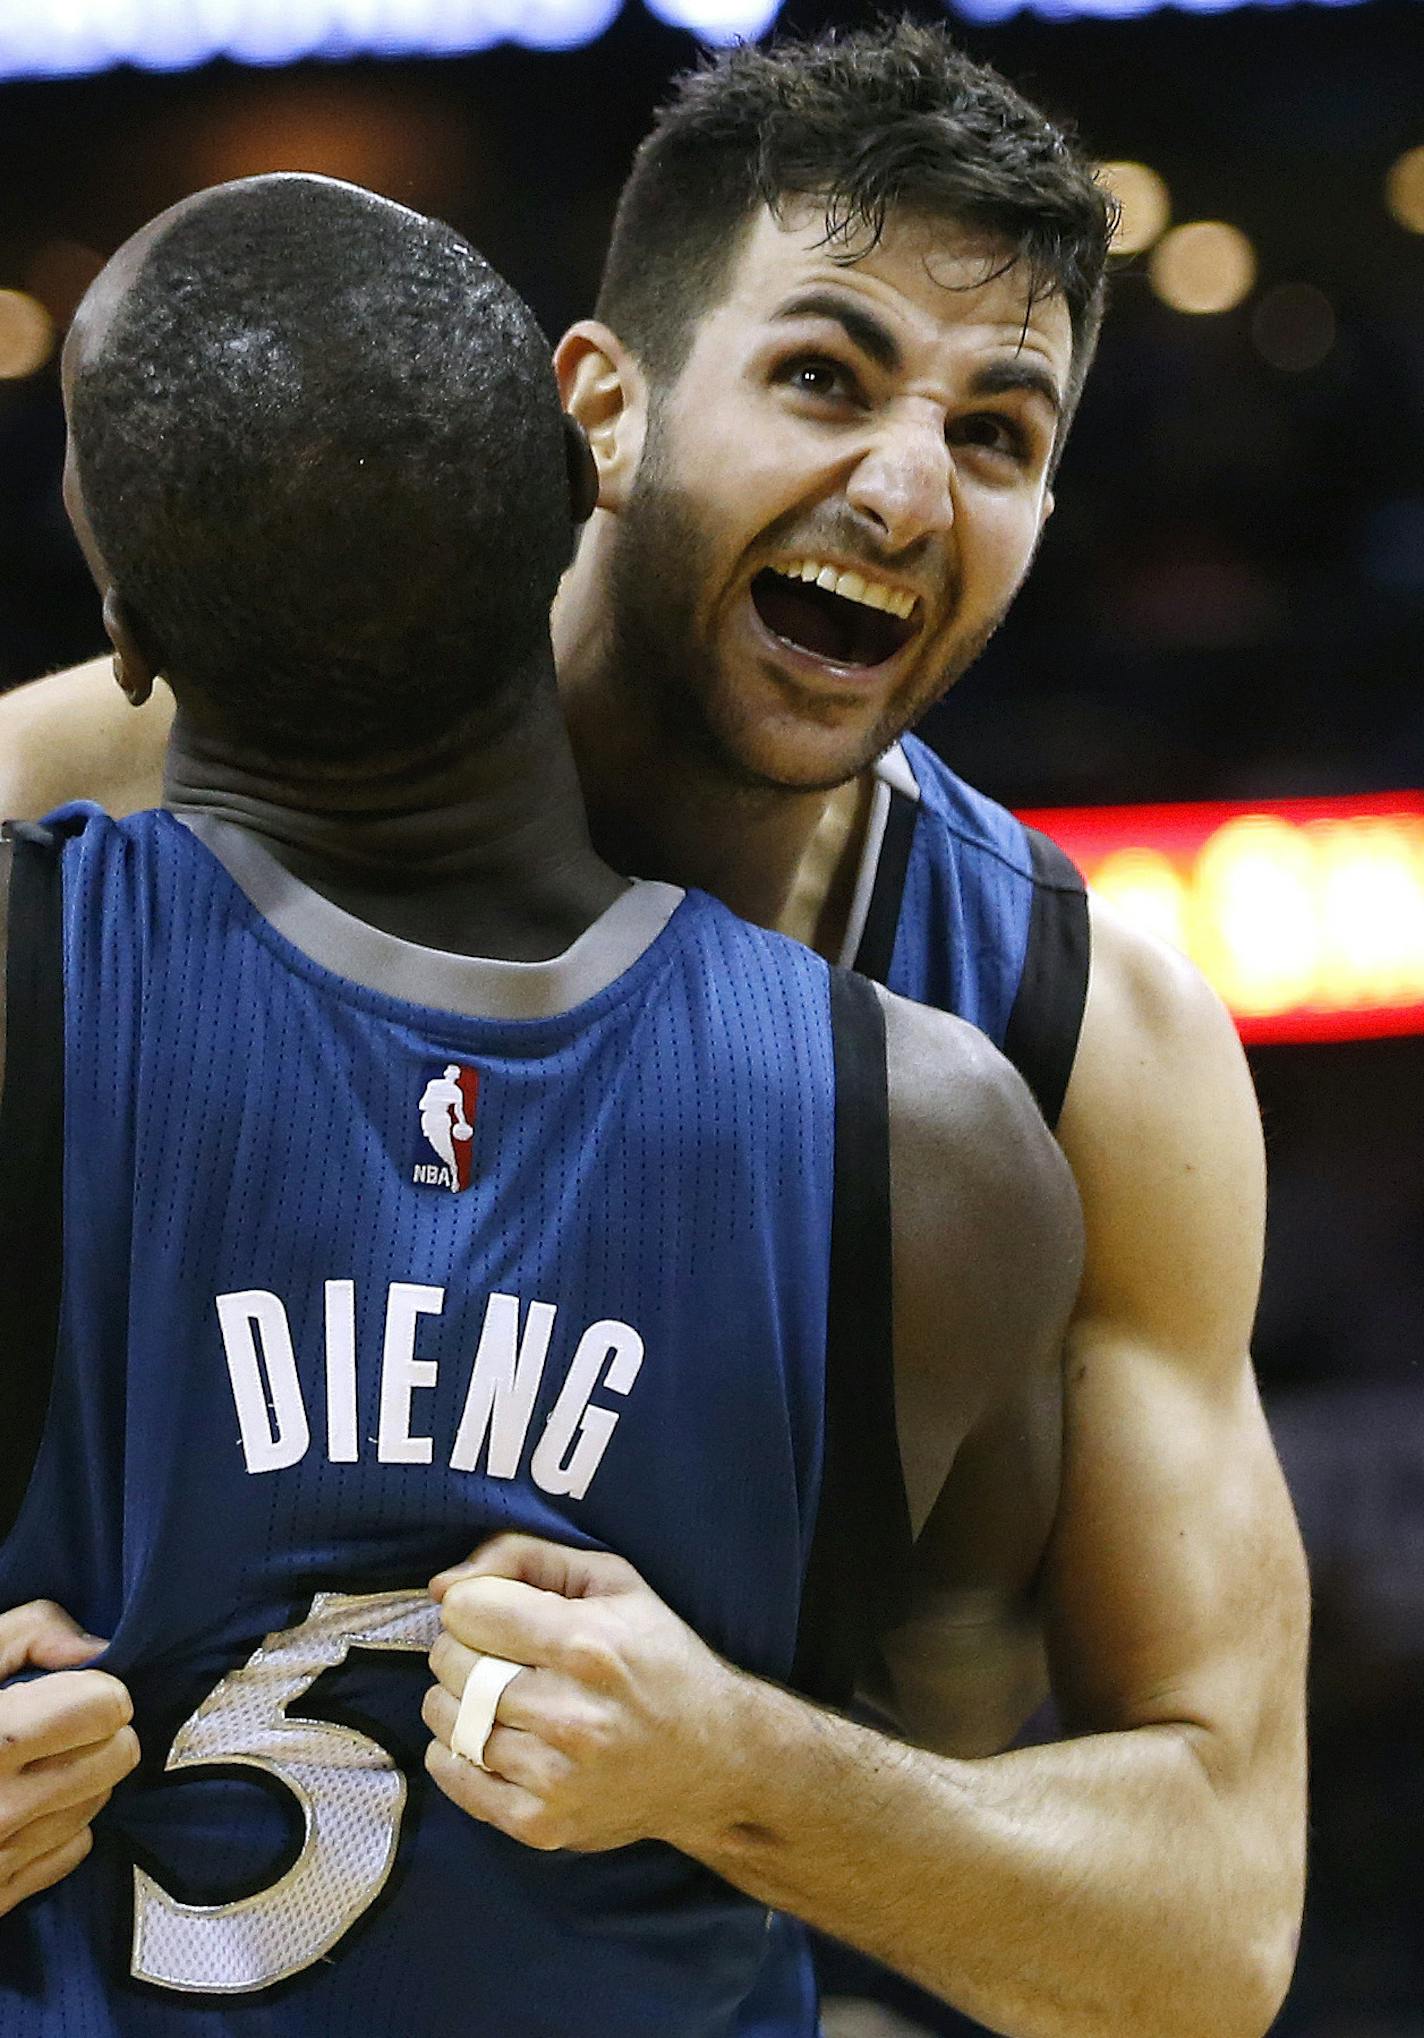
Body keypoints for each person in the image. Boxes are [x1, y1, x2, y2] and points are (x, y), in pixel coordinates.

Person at [0, 20, 1310, 2036]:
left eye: (999, 431)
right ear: (600, 410)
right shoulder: (128, 781)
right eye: (822, 374)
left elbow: (1208, 1930)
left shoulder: (1073, 1048)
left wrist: (749, 1768)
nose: (899, 486)